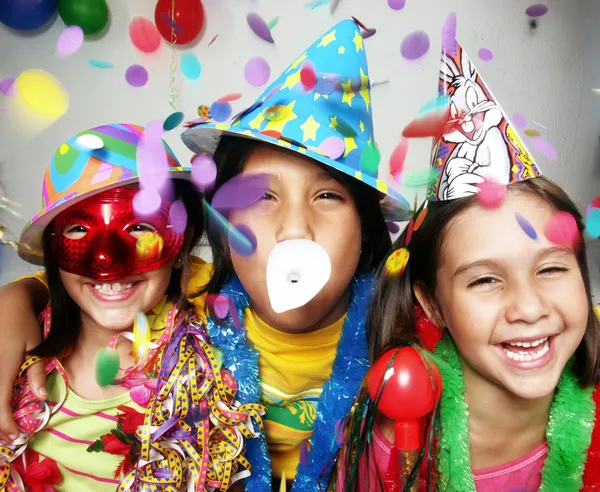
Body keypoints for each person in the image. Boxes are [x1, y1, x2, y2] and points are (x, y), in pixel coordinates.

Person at [0, 19, 411, 491]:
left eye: (328, 197)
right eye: (261, 195)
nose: (295, 228)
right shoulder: (197, 295)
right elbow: (89, 282)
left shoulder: (399, 324)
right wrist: (13, 306)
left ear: (366, 226)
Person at [334, 38, 600, 491]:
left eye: (552, 269)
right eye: (485, 279)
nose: (529, 307)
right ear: (433, 304)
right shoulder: (394, 449)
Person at [1, 123, 264, 490]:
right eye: (79, 230)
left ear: (182, 242)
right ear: (54, 251)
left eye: (141, 226)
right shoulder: (18, 357)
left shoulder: (208, 366)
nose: (108, 258)